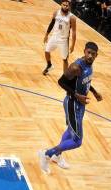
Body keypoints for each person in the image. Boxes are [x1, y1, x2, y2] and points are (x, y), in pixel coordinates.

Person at [38, 42, 102, 172]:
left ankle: (57, 156)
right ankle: (47, 154)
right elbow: (61, 81)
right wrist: (76, 95)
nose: (90, 56)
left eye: (93, 54)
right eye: (88, 52)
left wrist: (94, 92)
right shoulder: (76, 67)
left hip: (80, 104)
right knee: (77, 141)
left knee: (70, 130)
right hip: (73, 103)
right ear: (84, 51)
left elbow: (86, 81)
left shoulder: (89, 66)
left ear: (96, 56)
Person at [43, 0, 77, 75]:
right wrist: (46, 34)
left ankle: (65, 76)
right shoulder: (56, 13)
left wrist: (73, 45)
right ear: (61, 4)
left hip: (64, 40)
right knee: (46, 51)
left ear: (69, 6)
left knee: (64, 59)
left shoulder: (72, 17)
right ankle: (49, 65)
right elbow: (51, 24)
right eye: (64, 5)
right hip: (54, 37)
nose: (65, 7)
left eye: (67, 5)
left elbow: (74, 32)